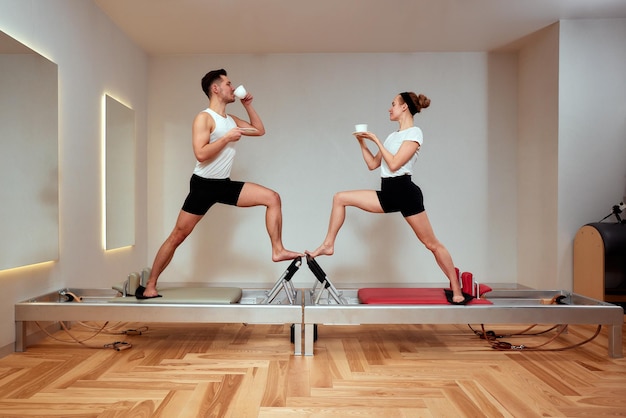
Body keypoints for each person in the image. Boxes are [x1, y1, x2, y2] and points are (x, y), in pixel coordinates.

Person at [143, 69, 302, 297]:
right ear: (216, 88)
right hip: (203, 185)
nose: (232, 87)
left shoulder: (230, 120)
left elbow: (259, 130)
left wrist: (247, 105)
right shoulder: (204, 118)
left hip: (223, 184)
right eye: (228, 83)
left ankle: (277, 249)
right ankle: (150, 285)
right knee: (178, 235)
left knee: (272, 198)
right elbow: (200, 153)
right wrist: (227, 138)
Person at [306, 91, 464, 303]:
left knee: (431, 244)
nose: (390, 108)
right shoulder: (392, 136)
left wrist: (377, 140)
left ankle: (456, 287)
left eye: (393, 104)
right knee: (340, 198)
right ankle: (328, 244)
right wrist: (362, 143)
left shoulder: (415, 133)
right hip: (387, 193)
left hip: (406, 193)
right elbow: (373, 164)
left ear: (404, 107)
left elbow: (395, 164)